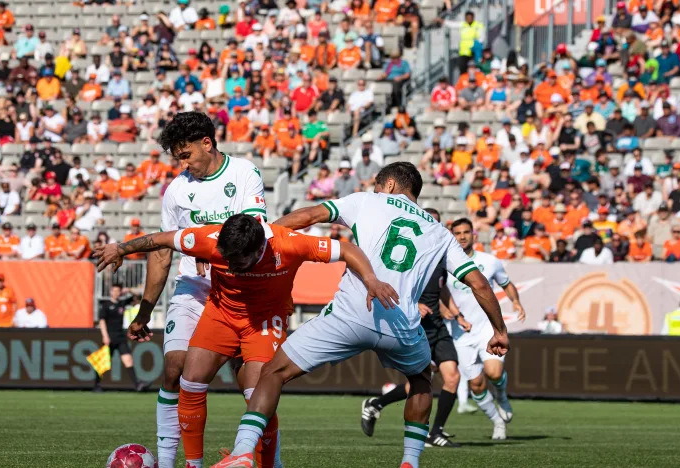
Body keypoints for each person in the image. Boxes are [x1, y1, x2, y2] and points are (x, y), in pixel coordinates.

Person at [207, 163, 509, 468]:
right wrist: (499, 331)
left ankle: (243, 452)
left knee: (274, 372)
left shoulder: (368, 200)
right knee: (420, 380)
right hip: (401, 323)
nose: (375, 189)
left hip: (351, 313)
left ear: (389, 185)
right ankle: (410, 462)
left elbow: (309, 216)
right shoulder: (440, 232)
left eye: (378, 184)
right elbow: (480, 284)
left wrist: (261, 238)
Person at [95, 211, 392, 468]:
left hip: (264, 322)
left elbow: (347, 249)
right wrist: (120, 248)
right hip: (221, 315)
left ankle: (268, 463)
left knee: (258, 395)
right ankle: (193, 464)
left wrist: (370, 279)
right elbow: (159, 239)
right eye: (225, 257)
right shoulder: (209, 239)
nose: (229, 264)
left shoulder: (289, 243)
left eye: (236, 261)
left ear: (259, 248)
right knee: (191, 379)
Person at [98, 112, 270, 468]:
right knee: (174, 367)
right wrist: (144, 313)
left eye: (186, 155)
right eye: (178, 158)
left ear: (207, 143)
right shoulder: (177, 189)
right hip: (193, 289)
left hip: (239, 291)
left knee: (252, 384)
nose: (183, 164)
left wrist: (210, 249)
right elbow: (163, 251)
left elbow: (251, 231)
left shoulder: (244, 173)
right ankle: (168, 462)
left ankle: (269, 460)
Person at [360, 208, 463, 448]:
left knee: (453, 376)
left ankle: (435, 432)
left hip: (437, 326)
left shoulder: (440, 256)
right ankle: (377, 404)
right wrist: (414, 304)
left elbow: (442, 288)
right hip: (414, 326)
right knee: (419, 383)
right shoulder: (404, 253)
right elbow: (389, 286)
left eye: (436, 223)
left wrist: (456, 313)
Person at [443, 218, 524, 439]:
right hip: (460, 333)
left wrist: (516, 302)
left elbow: (506, 284)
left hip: (488, 328)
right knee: (477, 385)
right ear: (452, 236)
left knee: (493, 372)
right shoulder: (445, 263)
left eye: (466, 232)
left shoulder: (490, 261)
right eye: (457, 233)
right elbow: (439, 290)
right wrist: (444, 308)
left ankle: (501, 395)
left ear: (474, 235)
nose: (462, 236)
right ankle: (497, 422)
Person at [96, 284, 148, 391]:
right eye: (114, 291)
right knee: (102, 363)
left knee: (128, 360)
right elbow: (102, 321)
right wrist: (105, 336)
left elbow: (139, 296)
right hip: (109, 337)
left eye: (118, 291)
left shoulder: (122, 303)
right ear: (110, 292)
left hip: (120, 337)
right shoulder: (105, 305)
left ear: (120, 292)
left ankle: (137, 385)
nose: (116, 293)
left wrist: (128, 289)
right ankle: (96, 385)